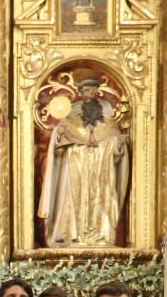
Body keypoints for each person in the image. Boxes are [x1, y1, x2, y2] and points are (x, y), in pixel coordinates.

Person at [38, 78, 130, 247]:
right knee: (74, 197)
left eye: (92, 90)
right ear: (80, 93)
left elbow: (113, 135)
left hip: (102, 163)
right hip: (77, 161)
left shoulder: (107, 112)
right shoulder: (72, 112)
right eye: (86, 91)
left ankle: (101, 234)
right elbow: (61, 138)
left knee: (102, 196)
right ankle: (74, 234)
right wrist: (64, 136)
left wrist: (115, 144)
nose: (89, 94)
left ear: (97, 91)